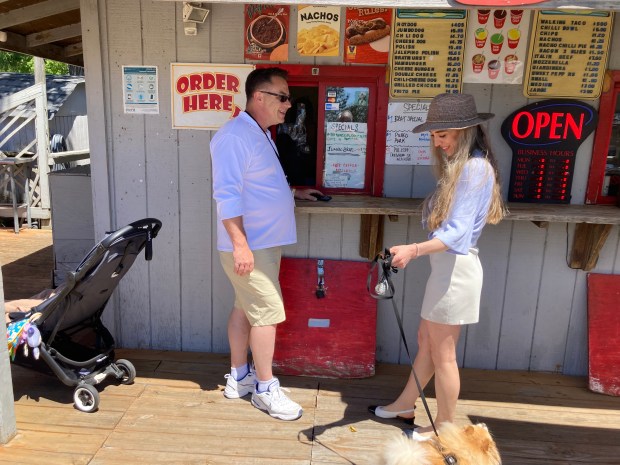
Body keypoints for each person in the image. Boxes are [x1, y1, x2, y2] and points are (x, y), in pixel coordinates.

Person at [368, 93, 506, 434]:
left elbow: (457, 234)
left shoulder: (475, 168)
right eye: (433, 135)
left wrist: (414, 250)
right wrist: (417, 251)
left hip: (456, 272)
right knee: (428, 344)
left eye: (442, 134)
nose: (437, 141)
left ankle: (444, 426)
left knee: (443, 354)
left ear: (464, 130)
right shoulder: (465, 166)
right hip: (446, 271)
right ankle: (404, 405)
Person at [210, 67, 323, 421]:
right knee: (268, 314)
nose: (289, 104)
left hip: (260, 244)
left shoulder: (259, 133)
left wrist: (293, 192)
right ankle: (264, 389)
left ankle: (239, 377)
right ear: (259, 97)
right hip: (249, 246)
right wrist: (240, 245)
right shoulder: (233, 136)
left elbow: (257, 185)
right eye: (283, 97)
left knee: (245, 308)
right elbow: (226, 195)